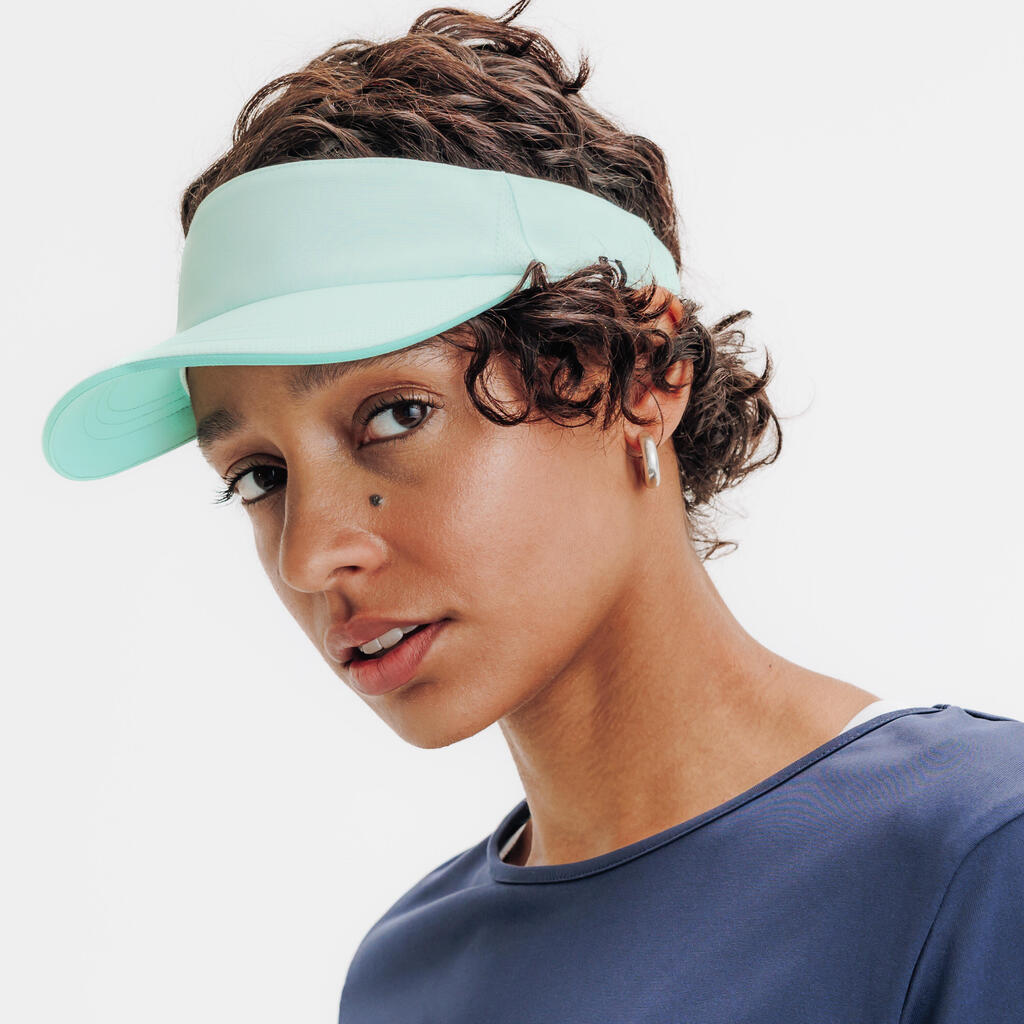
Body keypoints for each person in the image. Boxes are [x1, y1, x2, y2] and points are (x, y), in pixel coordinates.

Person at [40, 2, 1024, 1021]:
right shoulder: (404, 980)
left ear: (640, 370)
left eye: (395, 414)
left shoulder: (978, 857)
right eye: (259, 475)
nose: (310, 555)